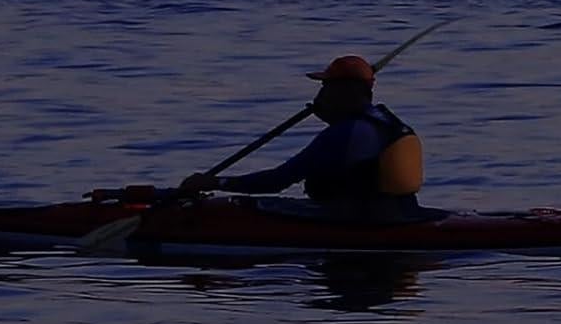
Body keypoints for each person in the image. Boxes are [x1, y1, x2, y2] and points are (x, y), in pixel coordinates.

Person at [180, 55, 430, 222]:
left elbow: (276, 181)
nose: (320, 95)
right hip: (403, 214)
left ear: (345, 91)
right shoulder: (390, 122)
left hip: (360, 221)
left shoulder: (344, 134)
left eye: (325, 87)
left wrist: (215, 182)